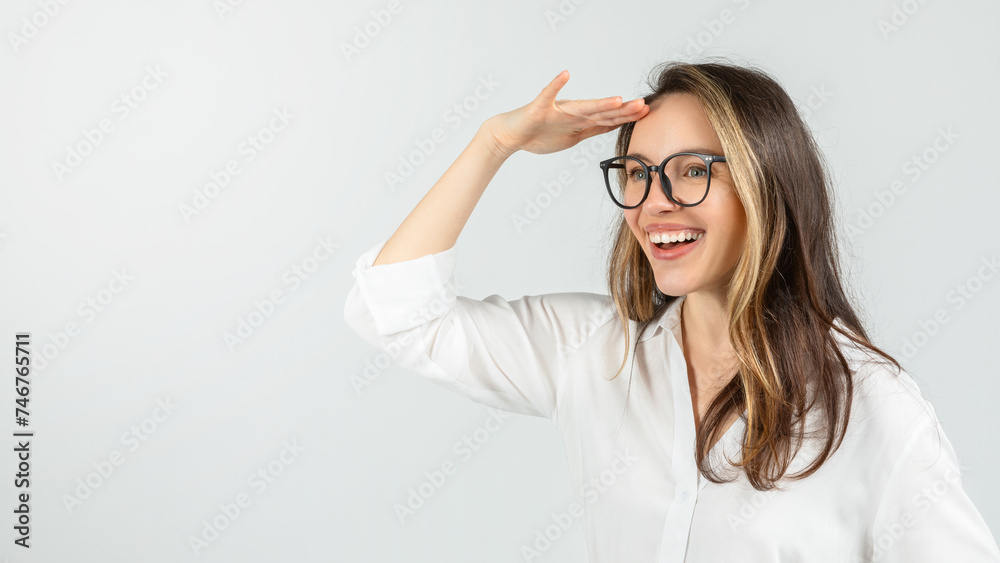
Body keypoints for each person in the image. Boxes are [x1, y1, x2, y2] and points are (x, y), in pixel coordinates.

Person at [343, 60, 1000, 562]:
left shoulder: (870, 407)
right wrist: (494, 143)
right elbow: (398, 313)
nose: (654, 201)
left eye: (691, 170)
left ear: (765, 181)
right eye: (636, 170)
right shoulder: (593, 352)